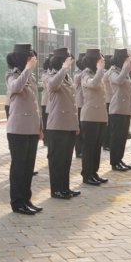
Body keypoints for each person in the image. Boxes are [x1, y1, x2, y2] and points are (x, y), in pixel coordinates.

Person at [5, 44, 43, 215]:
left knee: (28, 167)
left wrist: (39, 127)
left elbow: (35, 104)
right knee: (19, 167)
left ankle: (26, 199)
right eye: (29, 57)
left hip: (31, 128)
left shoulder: (31, 76)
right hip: (18, 129)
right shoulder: (11, 75)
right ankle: (17, 202)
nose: (32, 61)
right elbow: (16, 88)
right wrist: (27, 69)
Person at [45, 48, 81, 199]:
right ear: (61, 61)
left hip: (69, 124)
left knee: (66, 160)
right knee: (57, 160)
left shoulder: (67, 77)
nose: (70, 63)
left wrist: (76, 124)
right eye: (67, 61)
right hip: (57, 125)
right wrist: (64, 68)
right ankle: (56, 190)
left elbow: (72, 102)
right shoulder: (49, 75)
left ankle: (65, 188)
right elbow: (53, 86)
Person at [79, 49, 109, 186]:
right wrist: (100, 70)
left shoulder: (98, 73)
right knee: (89, 147)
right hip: (90, 116)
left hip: (100, 115)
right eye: (99, 59)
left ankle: (94, 172)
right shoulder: (85, 74)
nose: (102, 61)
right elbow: (92, 84)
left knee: (97, 147)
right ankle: (87, 174)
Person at [108, 48, 131, 172]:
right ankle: (114, 162)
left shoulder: (124, 71)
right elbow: (118, 81)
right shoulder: (113, 71)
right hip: (117, 108)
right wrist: (125, 68)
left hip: (126, 108)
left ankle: (120, 159)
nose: (128, 61)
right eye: (126, 59)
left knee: (123, 137)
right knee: (117, 137)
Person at [73, 52, 86, 158]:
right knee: (79, 129)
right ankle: (78, 150)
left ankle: (84, 149)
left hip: (87, 104)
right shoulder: (77, 73)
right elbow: (77, 80)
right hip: (79, 104)